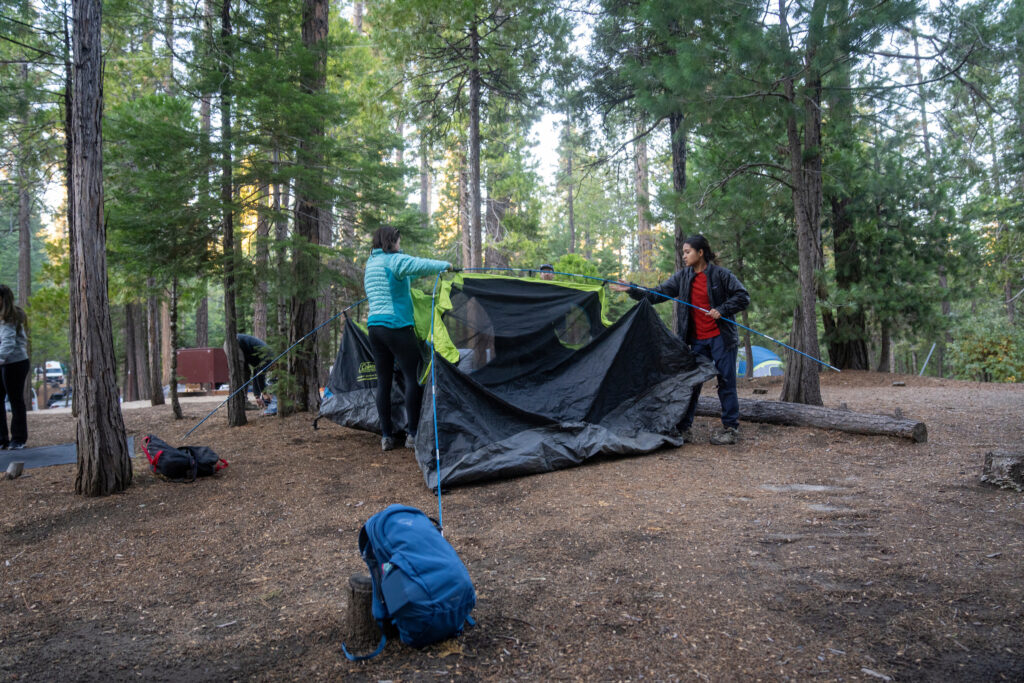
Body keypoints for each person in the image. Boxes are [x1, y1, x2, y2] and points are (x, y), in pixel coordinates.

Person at [610, 235, 749, 445]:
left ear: (700, 252)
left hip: (721, 338)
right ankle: (684, 428)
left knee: (726, 382)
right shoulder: (683, 277)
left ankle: (730, 428)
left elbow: (742, 296)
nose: (684, 256)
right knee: (692, 383)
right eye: (683, 252)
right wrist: (632, 288)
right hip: (698, 341)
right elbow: (658, 294)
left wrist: (722, 309)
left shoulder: (721, 275)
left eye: (687, 252)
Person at [364, 226, 452, 451]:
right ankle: (412, 433)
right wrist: (445, 266)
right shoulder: (394, 261)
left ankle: (386, 436)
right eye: (398, 241)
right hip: (397, 326)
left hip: (375, 328)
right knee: (411, 377)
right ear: (391, 242)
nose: (400, 245)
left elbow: (410, 273)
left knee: (383, 381)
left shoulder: (372, 263)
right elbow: (418, 264)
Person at [0, 284, 30, 450]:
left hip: (15, 363)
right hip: (3, 362)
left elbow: (8, 343)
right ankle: (2, 439)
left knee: (15, 400)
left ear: (4, 299)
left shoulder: (11, 316)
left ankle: (18, 439)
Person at [235, 334, 275, 415]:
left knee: (246, 373)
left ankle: (244, 402)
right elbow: (260, 375)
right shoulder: (269, 357)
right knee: (240, 373)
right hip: (235, 343)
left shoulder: (265, 359)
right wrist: (264, 394)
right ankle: (238, 403)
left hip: (243, 349)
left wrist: (257, 396)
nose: (271, 370)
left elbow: (256, 374)